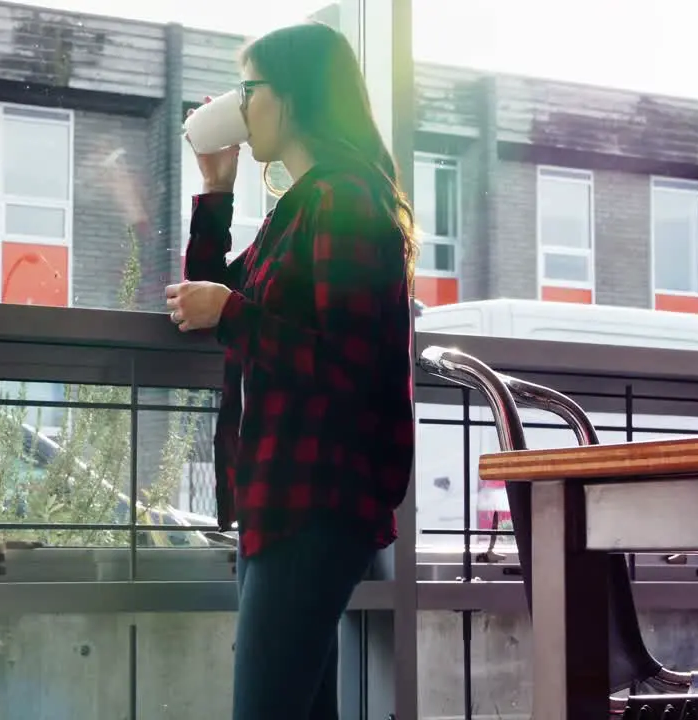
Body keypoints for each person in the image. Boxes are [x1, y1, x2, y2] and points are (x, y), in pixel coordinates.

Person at [164, 21, 417, 720]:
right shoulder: (302, 207)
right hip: (285, 499)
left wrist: (233, 314)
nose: (241, 107)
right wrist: (215, 192)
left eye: (250, 89)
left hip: (316, 501)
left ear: (296, 95)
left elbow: (347, 363)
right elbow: (204, 300)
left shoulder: (343, 201)